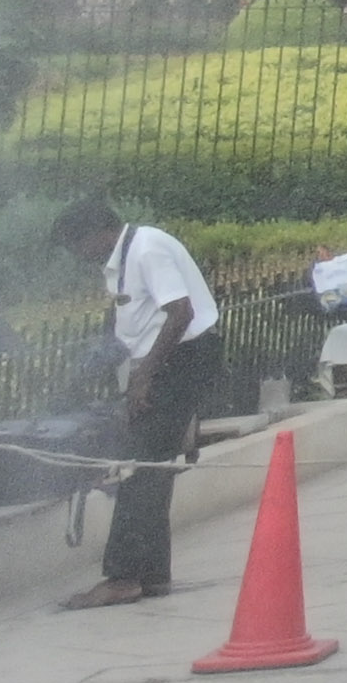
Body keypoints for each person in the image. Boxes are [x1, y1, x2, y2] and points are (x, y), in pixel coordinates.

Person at [52, 196, 222, 606]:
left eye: (77, 246)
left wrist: (144, 378)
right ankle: (152, 575)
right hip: (164, 360)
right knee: (153, 466)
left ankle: (124, 577)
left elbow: (179, 313)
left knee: (140, 467)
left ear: (97, 234)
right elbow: (128, 325)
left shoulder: (147, 248)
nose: (78, 257)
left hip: (184, 357)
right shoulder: (122, 260)